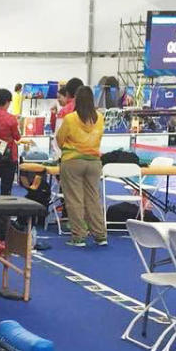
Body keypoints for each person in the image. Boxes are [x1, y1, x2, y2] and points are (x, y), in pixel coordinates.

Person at [56, 85, 105, 247]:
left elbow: (60, 139)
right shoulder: (100, 118)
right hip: (94, 162)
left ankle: (79, 236)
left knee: (75, 199)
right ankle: (100, 234)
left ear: (76, 99)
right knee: (93, 199)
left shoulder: (70, 118)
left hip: (73, 161)